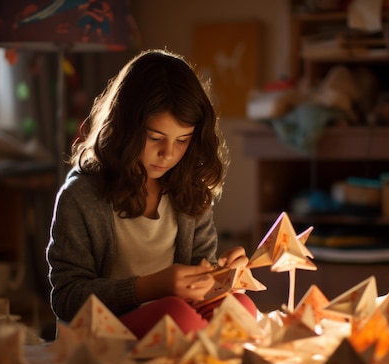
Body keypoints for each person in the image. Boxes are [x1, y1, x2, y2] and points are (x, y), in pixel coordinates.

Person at [46, 49, 258, 339]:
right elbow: (67, 299)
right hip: (103, 334)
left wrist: (222, 275)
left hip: (174, 317)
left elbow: (201, 277)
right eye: (155, 138)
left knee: (241, 308)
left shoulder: (189, 190)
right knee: (179, 317)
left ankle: (203, 362)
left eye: (182, 140)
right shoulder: (81, 197)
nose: (168, 154)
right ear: (125, 129)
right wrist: (149, 287)